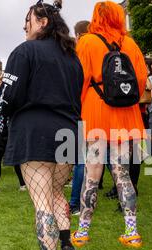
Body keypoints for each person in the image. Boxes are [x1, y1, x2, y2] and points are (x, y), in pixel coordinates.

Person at [0, 0, 83, 250]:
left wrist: (1, 114)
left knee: (42, 200)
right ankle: (67, 245)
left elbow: (6, 97)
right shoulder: (72, 56)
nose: (25, 27)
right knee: (57, 193)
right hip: (68, 130)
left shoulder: (24, 51)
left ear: (42, 22)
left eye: (28, 22)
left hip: (36, 131)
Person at [72, 1, 147, 248]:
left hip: (96, 110)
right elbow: (141, 78)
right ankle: (132, 231)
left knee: (92, 173)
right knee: (122, 173)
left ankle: (82, 232)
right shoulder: (131, 44)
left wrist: (82, 104)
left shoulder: (87, 42)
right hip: (125, 112)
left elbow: (79, 80)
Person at [69, 20, 90, 216]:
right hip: (102, 108)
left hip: (82, 109)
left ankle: (75, 203)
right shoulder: (103, 46)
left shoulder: (78, 51)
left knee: (80, 160)